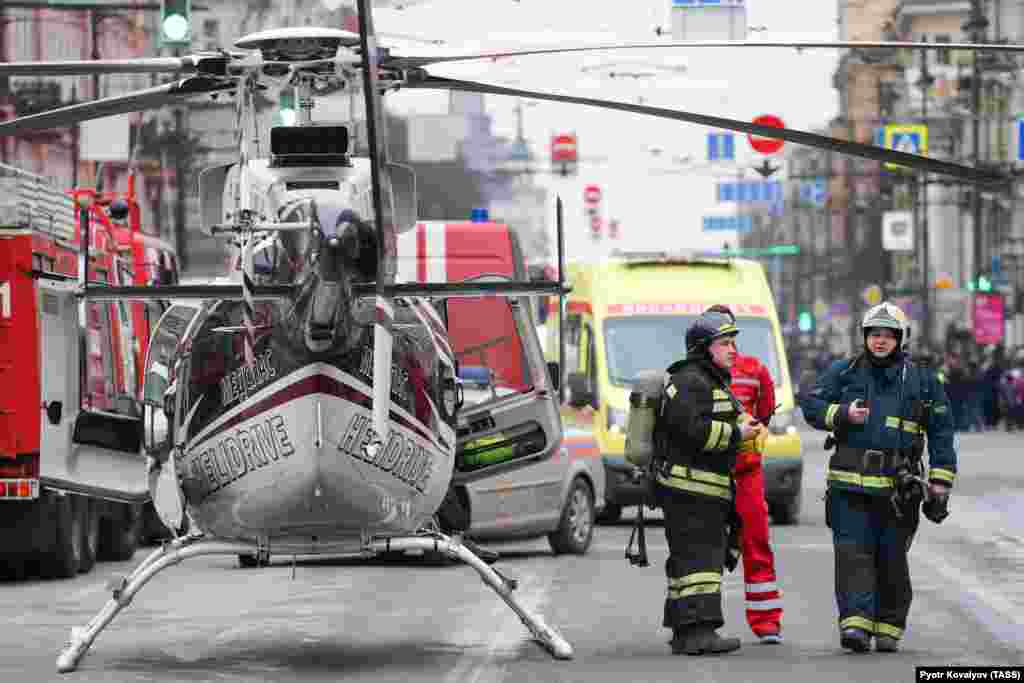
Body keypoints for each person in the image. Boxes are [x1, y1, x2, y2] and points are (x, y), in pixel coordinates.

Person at [799, 302, 956, 653]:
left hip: (898, 492)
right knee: (852, 554)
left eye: (888, 335)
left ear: (901, 339)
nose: (880, 341)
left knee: (891, 559)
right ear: (865, 337)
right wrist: (840, 413)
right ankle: (855, 625)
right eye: (874, 334)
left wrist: (941, 481)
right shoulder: (847, 371)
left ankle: (888, 625)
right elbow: (810, 403)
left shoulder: (922, 380)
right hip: (849, 486)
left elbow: (943, 431)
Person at [654, 305, 764, 656]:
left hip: (699, 490)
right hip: (692, 491)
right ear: (703, 348)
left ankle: (684, 631)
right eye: (725, 343)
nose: (733, 350)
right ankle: (700, 635)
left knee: (688, 564)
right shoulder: (691, 381)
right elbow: (691, 431)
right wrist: (736, 434)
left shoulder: (707, 380)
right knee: (701, 563)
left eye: (733, 342)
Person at [729, 343, 784, 644]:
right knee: (755, 543)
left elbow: (763, 416)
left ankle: (765, 621)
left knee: (754, 541)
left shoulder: (753, 369)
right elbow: (764, 416)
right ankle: (766, 623)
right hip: (738, 470)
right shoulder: (754, 369)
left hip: (737, 470)